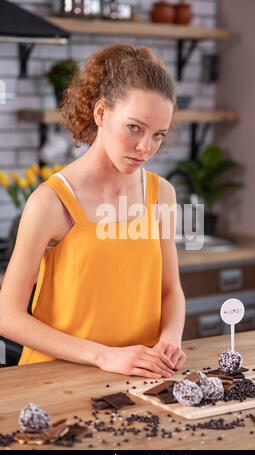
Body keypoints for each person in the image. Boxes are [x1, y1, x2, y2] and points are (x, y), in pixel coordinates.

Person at [0, 44, 187, 379]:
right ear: (101, 113)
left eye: (158, 134)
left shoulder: (162, 195)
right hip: (53, 381)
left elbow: (170, 290)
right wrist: (104, 356)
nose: (146, 147)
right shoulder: (52, 202)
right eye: (134, 127)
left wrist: (170, 340)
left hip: (139, 380)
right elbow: (7, 315)